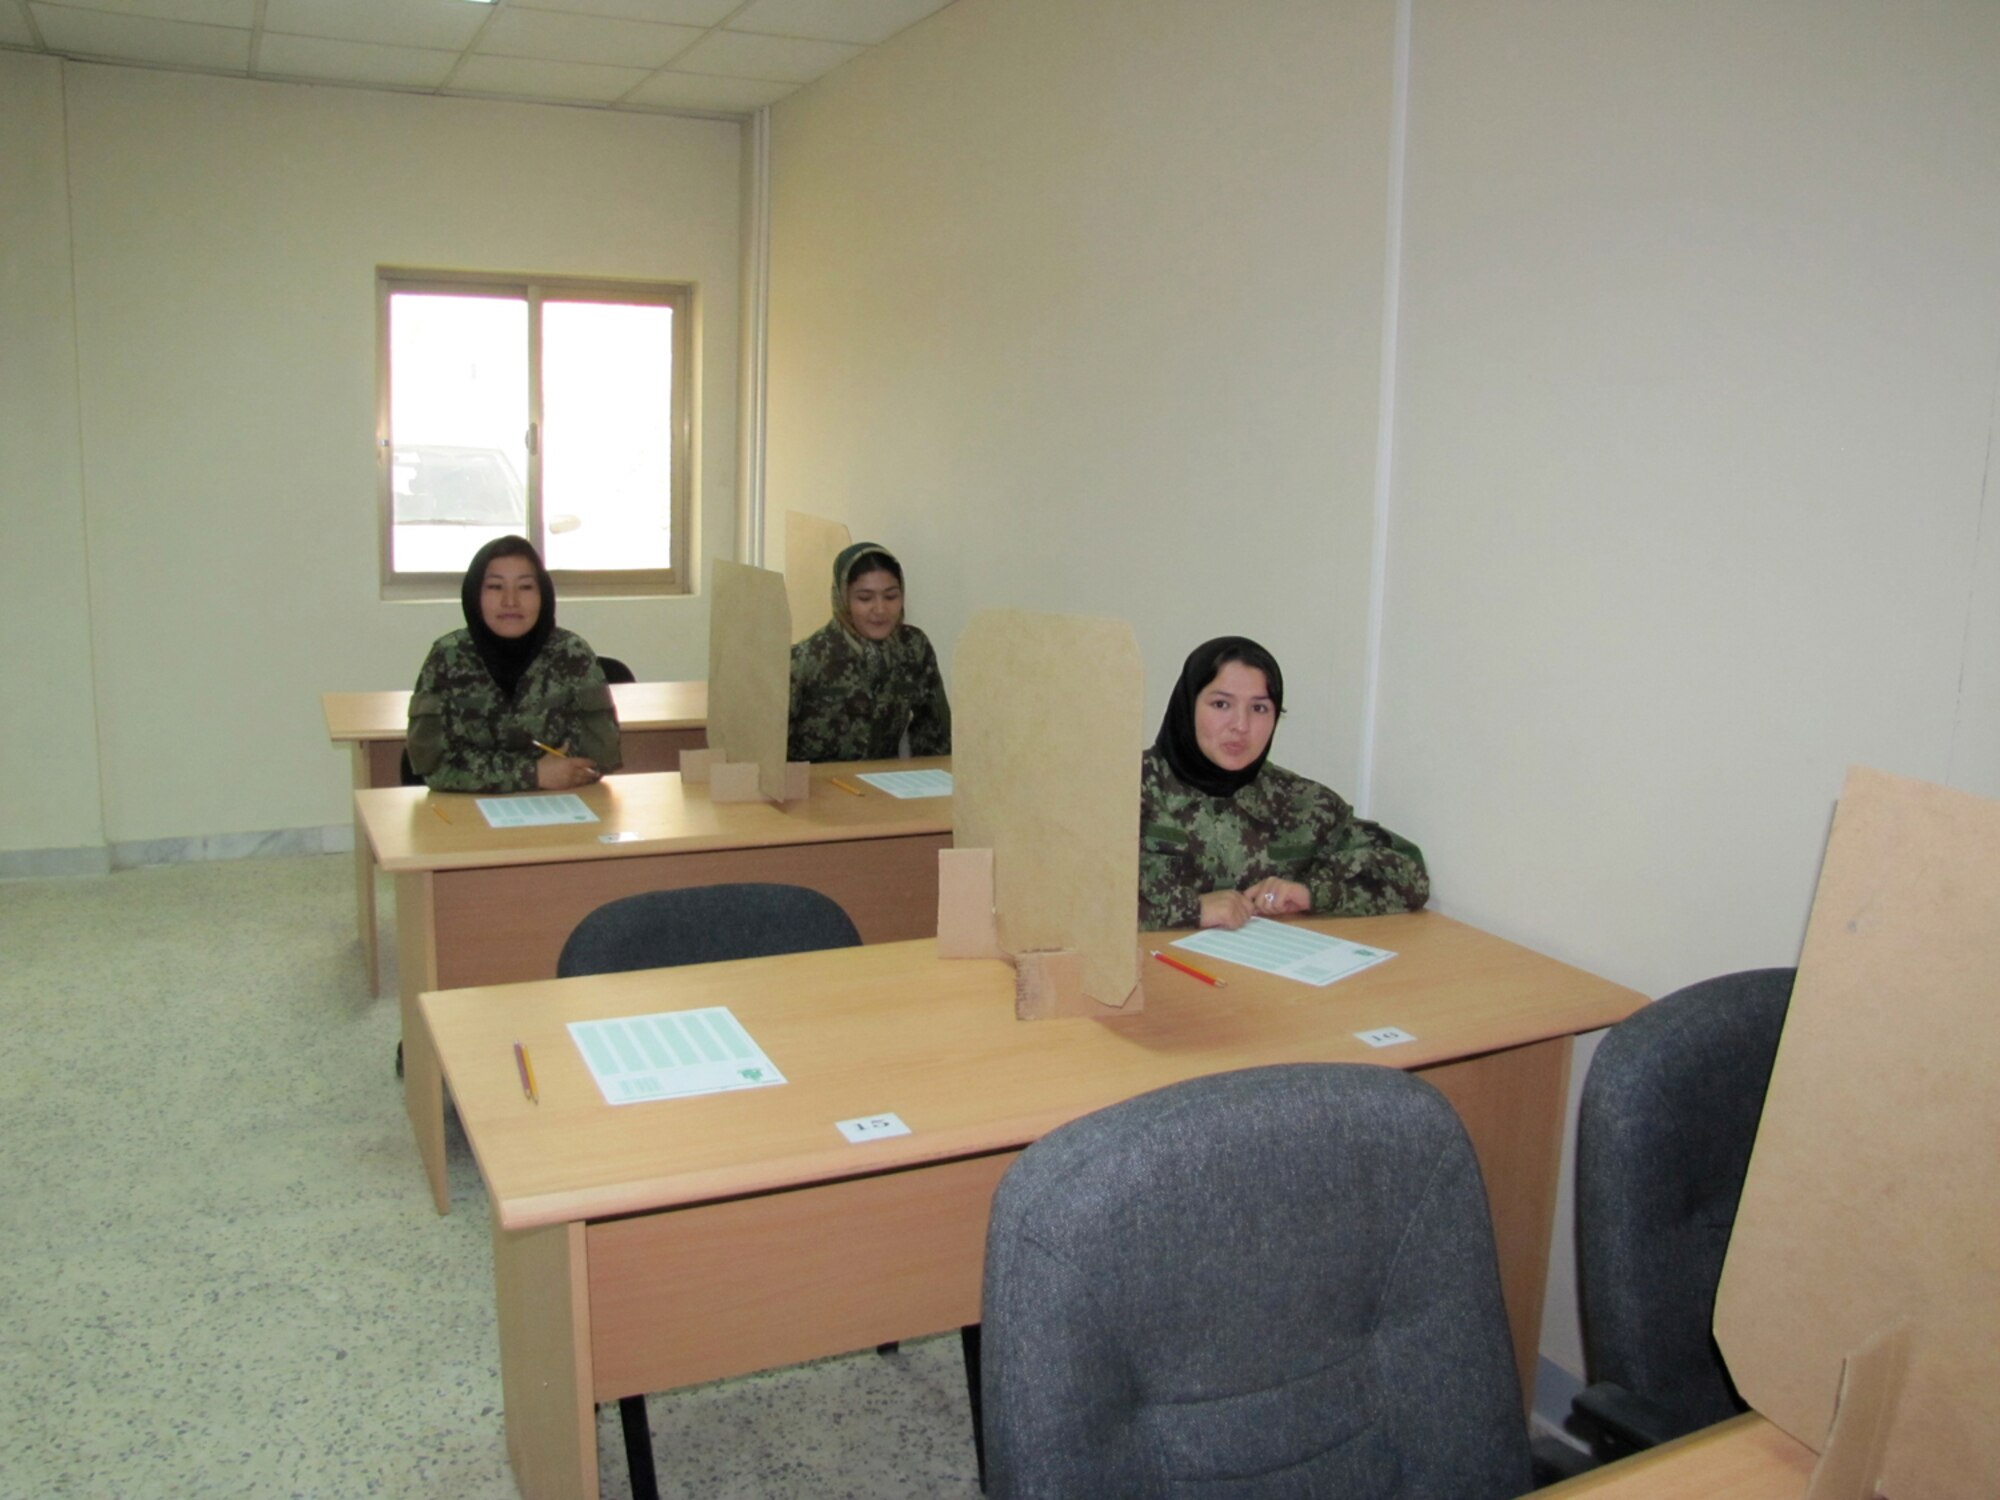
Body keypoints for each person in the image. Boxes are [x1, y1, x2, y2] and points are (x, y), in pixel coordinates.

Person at [1139, 636, 1429, 930]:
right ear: (1187, 706)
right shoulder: (1125, 789)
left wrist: (1309, 893)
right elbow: (1092, 898)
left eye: (1259, 708)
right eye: (1221, 704)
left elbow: (1409, 874)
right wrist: (1191, 909)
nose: (1241, 725)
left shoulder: (1299, 802)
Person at [406, 535, 622, 792]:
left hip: (560, 808)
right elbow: (434, 765)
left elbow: (598, 757)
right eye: (496, 587)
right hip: (465, 815)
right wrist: (533, 774)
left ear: (543, 594)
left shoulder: (571, 654)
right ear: (475, 593)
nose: (511, 601)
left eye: (525, 587)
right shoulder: (447, 658)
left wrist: (490, 770)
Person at [788, 541, 952, 763]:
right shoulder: (806, 659)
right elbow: (770, 754)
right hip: (816, 789)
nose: (880, 609)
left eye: (891, 596)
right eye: (865, 598)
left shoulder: (913, 648)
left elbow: (936, 736)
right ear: (843, 599)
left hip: (882, 788)